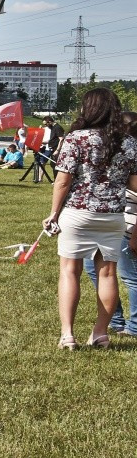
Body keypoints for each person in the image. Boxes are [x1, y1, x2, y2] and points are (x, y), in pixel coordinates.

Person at [44, 89, 137, 350]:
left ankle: (67, 335)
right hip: (113, 216)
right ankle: (100, 333)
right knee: (107, 274)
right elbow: (134, 184)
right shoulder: (129, 142)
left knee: (69, 271)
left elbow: (63, 181)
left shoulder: (76, 138)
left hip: (78, 212)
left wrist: (53, 213)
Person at [83, 111, 137, 335]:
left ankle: (134, 326)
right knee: (92, 269)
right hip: (110, 224)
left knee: (130, 277)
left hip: (128, 229)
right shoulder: (121, 156)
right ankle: (116, 320)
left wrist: (135, 235)